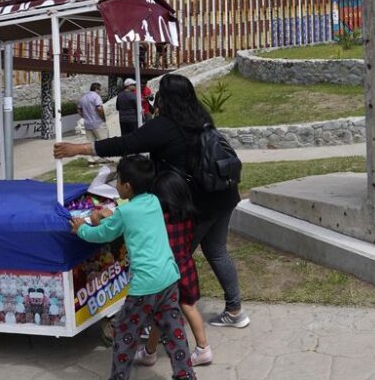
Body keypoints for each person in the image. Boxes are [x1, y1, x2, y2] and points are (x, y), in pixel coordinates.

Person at [54, 73, 248, 329]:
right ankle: (234, 310)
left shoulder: (166, 125)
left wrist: (78, 149)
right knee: (217, 251)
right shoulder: (201, 119)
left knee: (171, 259)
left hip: (197, 202)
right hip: (223, 194)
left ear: (165, 98)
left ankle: (154, 319)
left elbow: (125, 143)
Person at [71, 156, 196, 380]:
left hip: (144, 286)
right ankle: (185, 374)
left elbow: (102, 234)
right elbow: (127, 218)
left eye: (118, 180)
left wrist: (81, 229)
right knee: (174, 332)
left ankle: (119, 377)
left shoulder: (125, 213)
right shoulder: (154, 201)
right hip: (168, 278)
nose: (116, 184)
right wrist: (111, 216)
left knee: (125, 334)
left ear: (127, 186)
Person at [133, 171, 212, 368]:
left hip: (166, 272)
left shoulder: (160, 220)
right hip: (186, 267)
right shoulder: (188, 215)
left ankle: (152, 353)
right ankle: (200, 349)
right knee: (186, 307)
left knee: (161, 312)